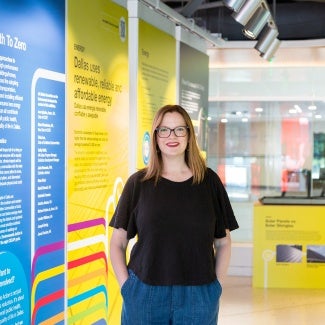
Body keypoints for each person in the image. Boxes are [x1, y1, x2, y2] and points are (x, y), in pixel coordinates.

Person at [109, 104, 239, 325]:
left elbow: (224, 242)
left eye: (180, 129)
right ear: (156, 137)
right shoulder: (138, 184)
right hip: (145, 294)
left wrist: (215, 287)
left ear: (189, 135)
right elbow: (118, 243)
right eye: (164, 130)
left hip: (198, 296)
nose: (172, 136)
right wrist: (127, 288)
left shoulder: (209, 182)